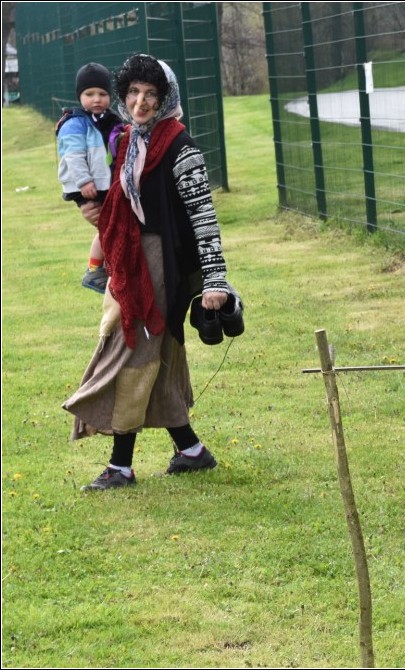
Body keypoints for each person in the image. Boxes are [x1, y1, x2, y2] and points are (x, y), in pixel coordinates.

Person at [64, 54, 234, 491]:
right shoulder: (128, 141)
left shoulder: (180, 146)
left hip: (162, 267)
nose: (140, 102)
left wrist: (215, 281)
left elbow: (203, 217)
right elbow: (120, 204)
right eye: (134, 93)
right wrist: (97, 216)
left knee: (131, 353)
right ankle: (191, 450)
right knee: (148, 356)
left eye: (151, 94)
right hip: (130, 263)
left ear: (166, 98)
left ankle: (120, 466)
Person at [56, 62, 123, 293]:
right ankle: (94, 271)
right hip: (85, 186)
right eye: (89, 94)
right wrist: (84, 181)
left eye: (102, 94)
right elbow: (73, 155)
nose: (96, 99)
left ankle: (105, 267)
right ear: (79, 96)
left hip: (102, 184)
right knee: (107, 227)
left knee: (109, 226)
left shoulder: (110, 120)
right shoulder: (75, 123)